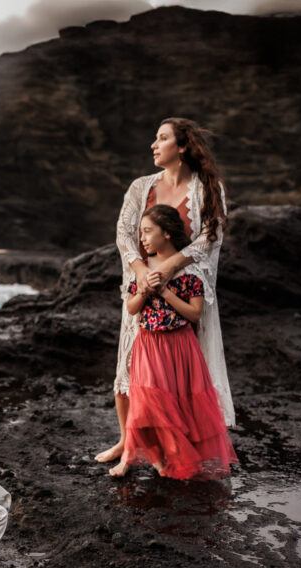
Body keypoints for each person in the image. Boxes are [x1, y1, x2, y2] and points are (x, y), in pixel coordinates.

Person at [96, 117, 235, 466]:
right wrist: (142, 270)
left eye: (162, 139)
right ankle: (126, 442)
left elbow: (211, 235)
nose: (154, 145)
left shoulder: (208, 187)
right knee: (128, 361)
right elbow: (124, 233)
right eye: (155, 139)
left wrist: (171, 267)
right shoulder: (141, 186)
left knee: (183, 368)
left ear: (183, 146)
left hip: (183, 286)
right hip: (144, 284)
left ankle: (177, 440)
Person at [108, 204, 237, 479]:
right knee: (146, 401)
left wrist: (166, 292)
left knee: (174, 403)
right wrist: (143, 290)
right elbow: (131, 308)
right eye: (141, 232)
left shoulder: (189, 270)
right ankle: (137, 455)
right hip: (148, 344)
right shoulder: (142, 268)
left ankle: (172, 455)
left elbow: (194, 313)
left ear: (166, 233)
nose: (141, 238)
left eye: (147, 231)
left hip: (179, 346)